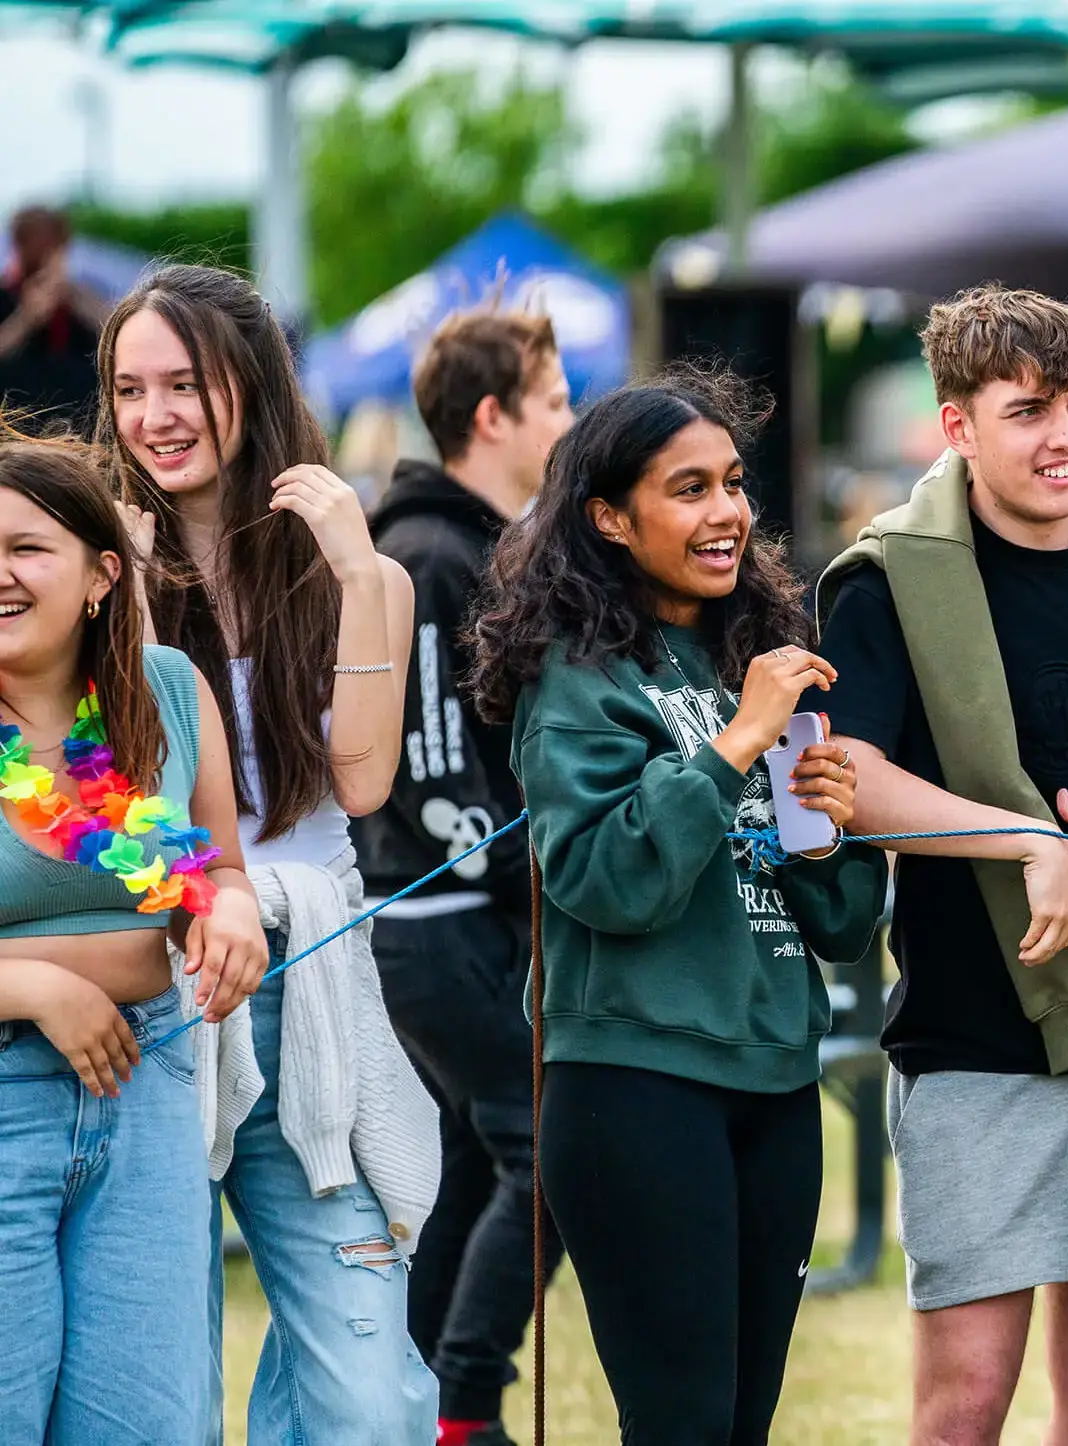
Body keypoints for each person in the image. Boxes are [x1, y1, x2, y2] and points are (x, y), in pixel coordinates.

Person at [811, 284, 1068, 1446]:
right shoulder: (882, 581)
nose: (1066, 437)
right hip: (972, 1036)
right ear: (957, 428)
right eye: (1028, 410)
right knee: (965, 1402)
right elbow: (846, 773)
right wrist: (1031, 844)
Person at [471, 369, 887, 1444]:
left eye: (735, 484)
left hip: (775, 1081)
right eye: (689, 488)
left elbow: (840, 923)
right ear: (608, 517)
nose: (728, 514)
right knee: (682, 1424)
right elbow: (610, 879)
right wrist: (736, 744)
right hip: (635, 1087)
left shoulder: (757, 659)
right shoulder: (577, 680)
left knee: (741, 1425)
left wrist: (829, 831)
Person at [96, 262, 440, 1443]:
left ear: (254, 383)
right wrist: (129, 600)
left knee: (365, 1399)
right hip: (145, 983)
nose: (157, 416)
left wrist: (354, 572)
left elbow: (361, 781)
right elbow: (109, 796)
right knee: (156, 1396)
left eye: (186, 382)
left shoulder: (365, 572)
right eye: (132, 388)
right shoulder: (84, 574)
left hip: (313, 987)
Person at [0, 434, 266, 1442]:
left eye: (28, 547)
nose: (0, 575)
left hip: (144, 1084)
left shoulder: (162, 693)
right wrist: (32, 987)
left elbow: (217, 871)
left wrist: (231, 910)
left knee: (141, 1423)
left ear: (103, 574)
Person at [357, 309, 572, 1446]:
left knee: (473, 1159)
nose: (571, 422)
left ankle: (418, 1399)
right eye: (555, 402)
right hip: (439, 922)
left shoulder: (482, 542)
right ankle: (463, 1406)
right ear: (492, 418)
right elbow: (429, 771)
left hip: (462, 918)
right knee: (550, 1147)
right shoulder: (429, 554)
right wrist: (539, 875)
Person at [0, 207, 109, 431]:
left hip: (79, 415)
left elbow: (115, 331)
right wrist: (27, 318)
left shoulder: (83, 293)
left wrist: (76, 299)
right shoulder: (4, 294)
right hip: (18, 416)